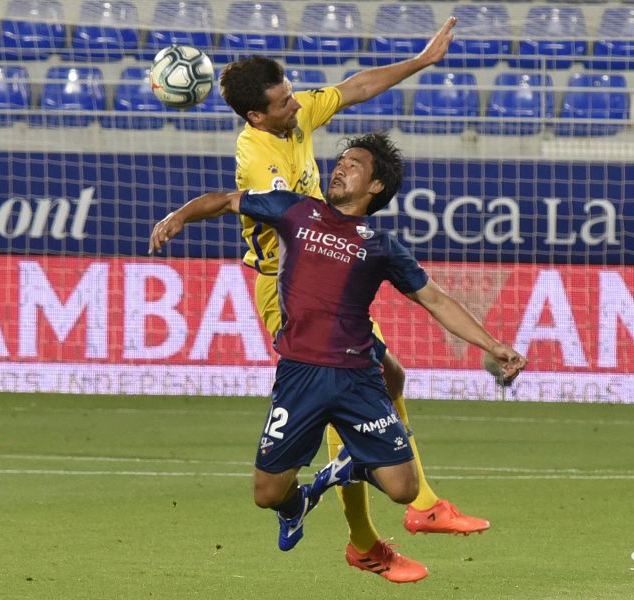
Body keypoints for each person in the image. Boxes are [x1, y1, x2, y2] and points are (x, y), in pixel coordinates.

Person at [150, 132, 527, 582]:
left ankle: (350, 467)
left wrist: (492, 344)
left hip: (356, 377)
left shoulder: (381, 245)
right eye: (341, 160)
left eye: (355, 164)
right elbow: (225, 200)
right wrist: (180, 216)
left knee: (404, 491)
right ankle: (306, 499)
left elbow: (437, 300)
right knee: (268, 494)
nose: (340, 167)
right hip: (299, 375)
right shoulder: (295, 209)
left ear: (375, 187)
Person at [218, 16, 491, 582]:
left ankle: (400, 507)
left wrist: (420, 61)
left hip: (329, 270)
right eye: (285, 102)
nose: (298, 105)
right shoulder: (257, 155)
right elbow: (303, 221)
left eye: (293, 94)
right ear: (257, 117)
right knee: (349, 382)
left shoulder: (291, 118)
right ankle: (387, 528)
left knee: (388, 375)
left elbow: (355, 86)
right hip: (291, 281)